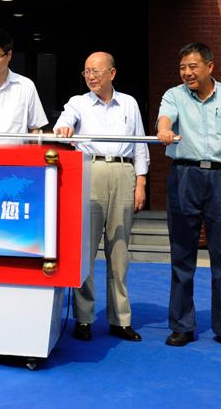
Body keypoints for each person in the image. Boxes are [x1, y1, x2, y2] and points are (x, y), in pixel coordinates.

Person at [156, 43, 221, 350]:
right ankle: (182, 326)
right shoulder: (174, 95)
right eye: (182, 68)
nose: (187, 73)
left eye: (193, 67)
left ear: (210, 67)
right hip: (184, 176)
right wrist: (164, 130)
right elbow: (165, 118)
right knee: (182, 254)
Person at [53, 52, 147, 343]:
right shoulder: (78, 102)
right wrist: (64, 128)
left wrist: (141, 182)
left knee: (119, 251)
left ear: (112, 73)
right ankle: (84, 318)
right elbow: (63, 123)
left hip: (123, 172)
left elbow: (140, 145)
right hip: (90, 171)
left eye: (96, 71)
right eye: (86, 72)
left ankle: (121, 319)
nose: (91, 76)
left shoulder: (129, 103)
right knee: (86, 250)